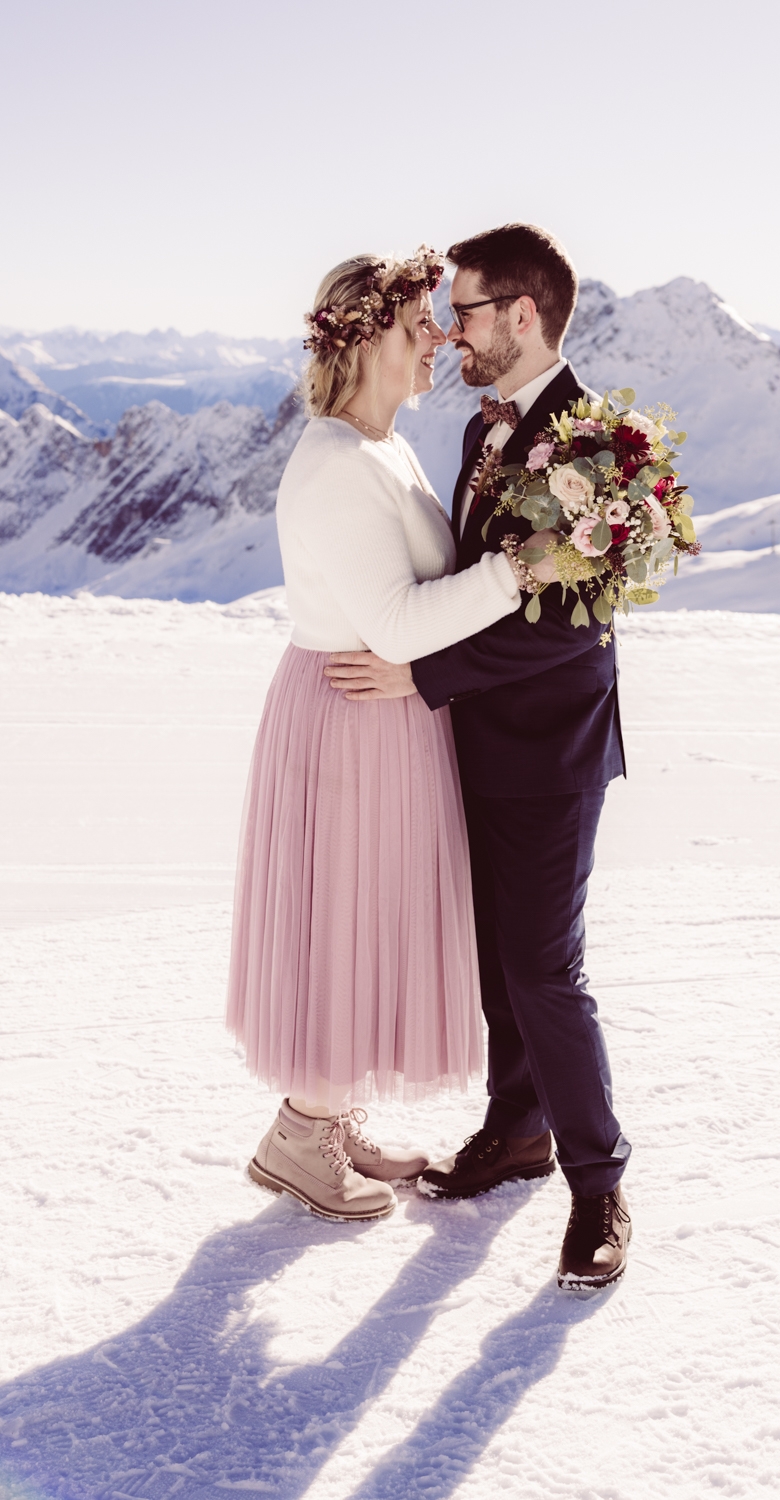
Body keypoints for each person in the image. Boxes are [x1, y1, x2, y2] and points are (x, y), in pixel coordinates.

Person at [324, 224, 632, 1287]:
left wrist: (422, 675)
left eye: (463, 311)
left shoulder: (596, 445)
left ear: (522, 314)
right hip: (473, 742)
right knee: (499, 955)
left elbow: (572, 627)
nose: (449, 331)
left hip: (551, 752)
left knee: (545, 968)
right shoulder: (480, 430)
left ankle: (599, 1185)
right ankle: (517, 1131)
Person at [227, 246, 547, 1223]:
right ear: (368, 340)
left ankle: (323, 1116)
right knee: (343, 917)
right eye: (420, 325)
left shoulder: (380, 444)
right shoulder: (337, 463)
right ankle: (301, 1136)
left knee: (368, 916)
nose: (440, 338)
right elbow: (399, 624)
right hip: (350, 715)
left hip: (382, 712)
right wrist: (519, 572)